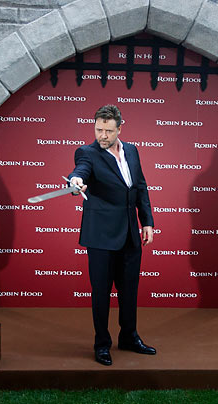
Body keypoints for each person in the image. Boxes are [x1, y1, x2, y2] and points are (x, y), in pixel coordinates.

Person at [68, 104, 156, 366]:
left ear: (120, 128)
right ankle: (102, 344)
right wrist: (75, 182)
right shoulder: (87, 152)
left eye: (108, 130)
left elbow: (140, 186)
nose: (102, 136)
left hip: (130, 233)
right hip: (101, 237)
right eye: (98, 130)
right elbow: (80, 171)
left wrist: (147, 222)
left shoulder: (132, 150)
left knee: (129, 291)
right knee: (101, 292)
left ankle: (129, 337)